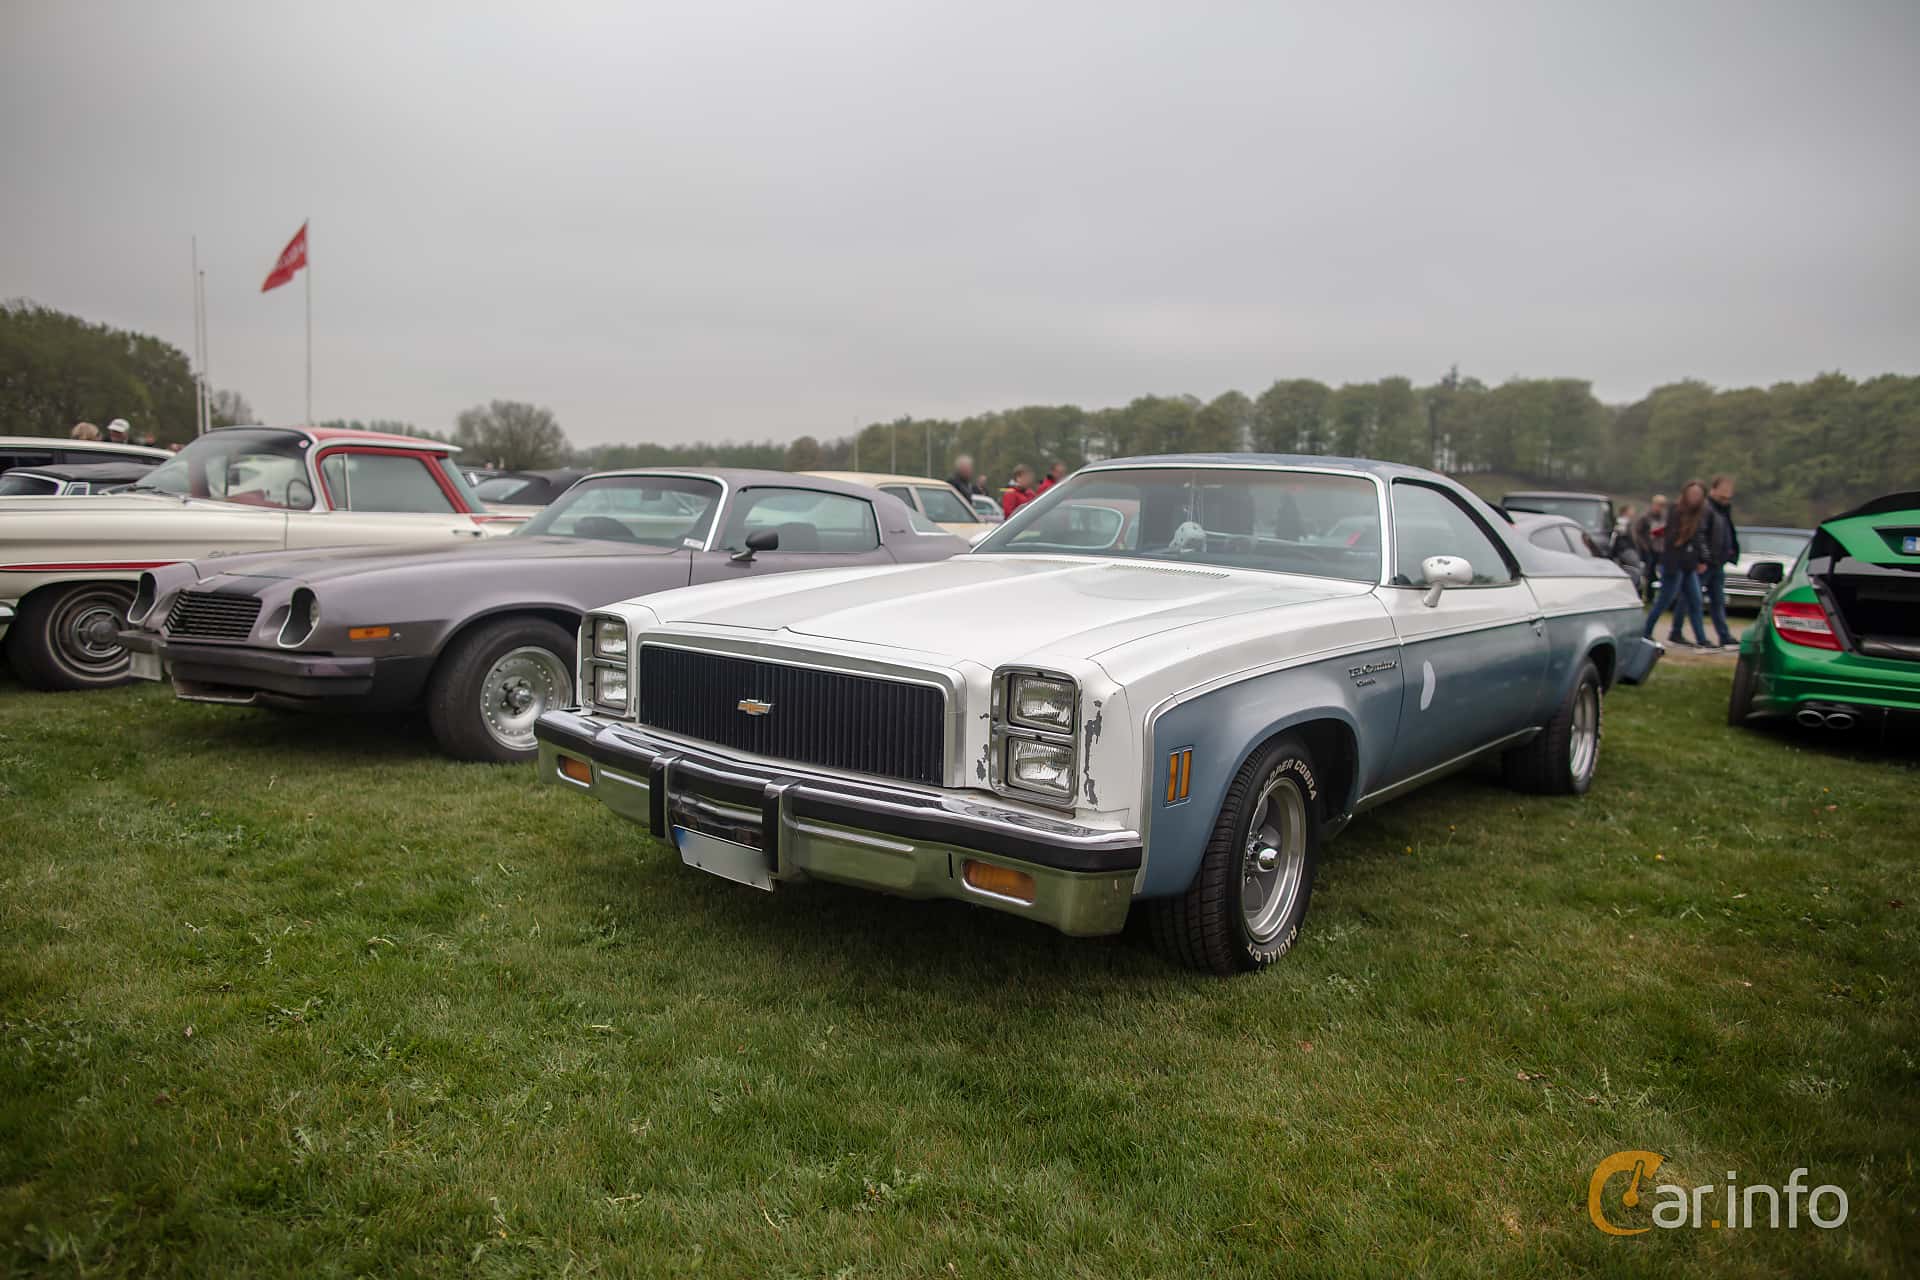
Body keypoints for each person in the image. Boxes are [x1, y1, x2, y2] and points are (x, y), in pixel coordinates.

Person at [1643, 480, 1712, 647]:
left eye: (1698, 494)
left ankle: (1701, 639)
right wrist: (1671, 567)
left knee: (1695, 601)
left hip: (1689, 565)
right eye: (1692, 493)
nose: (1695, 497)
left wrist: (1702, 559)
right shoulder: (1676, 511)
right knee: (1664, 601)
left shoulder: (1700, 514)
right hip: (1674, 565)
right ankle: (1645, 632)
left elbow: (1697, 539)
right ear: (1686, 494)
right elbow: (1671, 542)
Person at [1702, 474, 1740, 650]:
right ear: (1713, 489)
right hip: (1707, 562)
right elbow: (1701, 535)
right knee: (1690, 600)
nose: (1726, 496)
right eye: (1723, 492)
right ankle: (1676, 632)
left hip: (1718, 562)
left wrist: (1731, 552)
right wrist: (1704, 557)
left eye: (1729, 493)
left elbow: (1727, 534)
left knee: (1718, 601)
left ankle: (1724, 636)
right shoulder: (1707, 508)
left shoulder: (1724, 510)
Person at [1631, 494, 1667, 600]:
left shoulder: (1665, 517)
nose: (1660, 508)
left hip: (1660, 548)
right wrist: (1644, 546)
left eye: (1662, 505)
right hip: (1648, 549)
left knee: (1659, 573)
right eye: (1658, 505)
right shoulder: (1645, 517)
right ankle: (1647, 595)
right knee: (1648, 572)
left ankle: (1656, 595)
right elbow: (1637, 532)